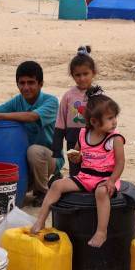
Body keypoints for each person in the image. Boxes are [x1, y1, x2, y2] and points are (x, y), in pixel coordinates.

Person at [31, 87, 125, 248]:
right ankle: (40, 220)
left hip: (105, 178)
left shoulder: (115, 138)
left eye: (115, 117)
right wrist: (76, 156)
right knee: (56, 185)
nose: (114, 121)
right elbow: (77, 154)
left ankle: (101, 232)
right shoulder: (83, 134)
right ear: (94, 122)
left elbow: (120, 162)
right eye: (110, 118)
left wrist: (111, 181)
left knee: (101, 192)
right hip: (85, 176)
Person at [0, 61, 59, 205]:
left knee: (34, 151)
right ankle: (34, 185)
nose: (26, 87)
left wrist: (0, 116)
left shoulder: (51, 101)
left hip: (48, 158)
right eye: (22, 83)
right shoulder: (18, 101)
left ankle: (42, 192)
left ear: (40, 84)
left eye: (31, 82)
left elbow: (32, 116)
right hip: (25, 162)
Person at [53, 46, 95, 176]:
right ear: (72, 75)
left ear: (93, 73)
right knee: (75, 171)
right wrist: (56, 147)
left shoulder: (98, 94)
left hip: (93, 140)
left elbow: (105, 119)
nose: (82, 78)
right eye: (78, 75)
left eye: (85, 74)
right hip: (72, 138)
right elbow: (60, 121)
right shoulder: (68, 96)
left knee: (92, 169)